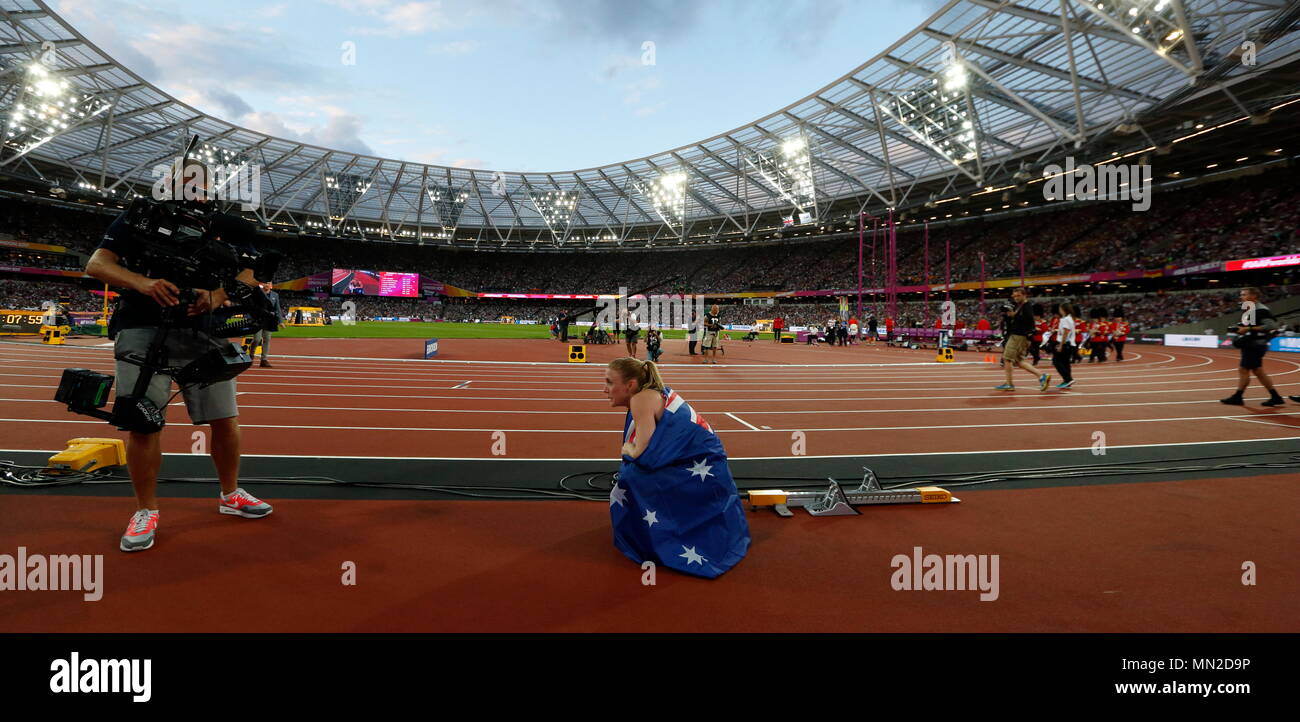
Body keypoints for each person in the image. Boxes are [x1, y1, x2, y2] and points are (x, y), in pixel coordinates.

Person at [84, 159, 273, 553]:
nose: (190, 189)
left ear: (208, 187)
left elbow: (254, 270)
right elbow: (97, 264)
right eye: (181, 182)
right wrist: (144, 283)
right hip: (141, 326)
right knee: (143, 421)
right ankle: (145, 510)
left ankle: (230, 493)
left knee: (224, 418)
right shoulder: (140, 218)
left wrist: (217, 296)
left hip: (203, 329)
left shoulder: (223, 225)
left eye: (197, 184)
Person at [603, 357, 749, 578]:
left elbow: (641, 449)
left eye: (610, 382)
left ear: (630, 385)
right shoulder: (653, 392)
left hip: (702, 462)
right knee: (634, 474)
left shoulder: (641, 399)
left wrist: (627, 450)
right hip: (707, 459)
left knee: (631, 479)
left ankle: (656, 538)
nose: (605, 389)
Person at [1223, 287, 1284, 406]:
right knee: (1257, 371)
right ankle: (1275, 397)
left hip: (1255, 344)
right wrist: (1238, 327)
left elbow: (1271, 326)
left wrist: (1247, 328)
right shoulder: (1249, 309)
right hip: (1252, 343)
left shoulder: (1261, 310)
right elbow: (1248, 325)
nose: (1241, 297)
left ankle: (1238, 397)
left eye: (1244, 294)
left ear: (1254, 296)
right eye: (1241, 294)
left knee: (1244, 370)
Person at [994, 288, 1051, 392]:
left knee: (1007, 359)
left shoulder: (1027, 306)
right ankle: (1042, 376)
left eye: (1018, 296)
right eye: (1014, 296)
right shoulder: (1020, 306)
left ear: (1024, 295)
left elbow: (1029, 320)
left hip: (1019, 336)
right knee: (1019, 361)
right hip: (1019, 336)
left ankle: (1009, 384)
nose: (1016, 298)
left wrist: (1014, 315)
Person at [1050, 302, 1077, 389]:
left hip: (1065, 343)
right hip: (1069, 344)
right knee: (1065, 363)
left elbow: (1065, 332)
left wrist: (1061, 345)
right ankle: (1067, 381)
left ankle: (1068, 379)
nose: (1059, 310)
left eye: (1060, 309)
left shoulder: (1065, 319)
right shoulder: (1070, 318)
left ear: (1063, 310)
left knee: (1056, 361)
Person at [254, 282, 280, 368]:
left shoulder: (275, 295)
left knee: (267, 339)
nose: (267, 285)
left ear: (271, 286)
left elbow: (277, 308)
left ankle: (264, 360)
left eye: (269, 283)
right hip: (258, 320)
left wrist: (280, 321)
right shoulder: (258, 294)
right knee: (257, 339)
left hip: (269, 321)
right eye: (265, 283)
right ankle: (251, 354)